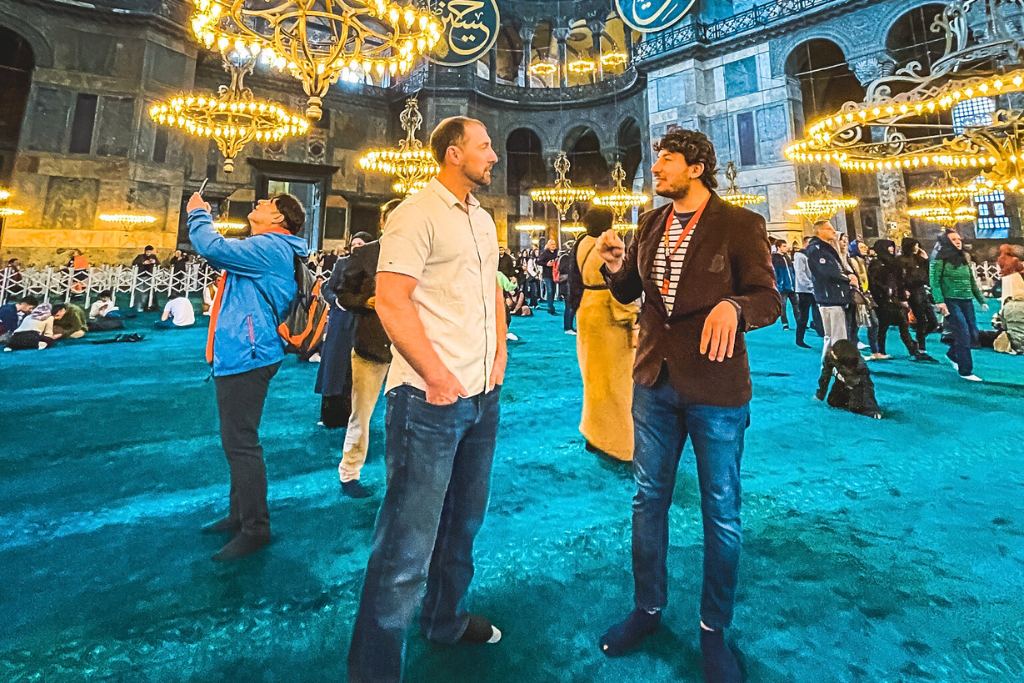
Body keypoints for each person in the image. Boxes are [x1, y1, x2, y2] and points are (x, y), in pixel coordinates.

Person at [595, 129, 780, 682]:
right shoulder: (650, 223)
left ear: (697, 168)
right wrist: (612, 265)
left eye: (667, 161)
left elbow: (769, 297)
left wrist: (734, 307)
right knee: (647, 498)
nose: (657, 169)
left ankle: (712, 630)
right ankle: (648, 610)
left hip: (716, 389)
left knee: (720, 511)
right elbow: (631, 291)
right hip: (654, 381)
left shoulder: (739, 224)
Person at [348, 116, 506, 683]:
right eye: (484, 146)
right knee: (405, 548)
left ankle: (444, 620)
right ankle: (373, 670)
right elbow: (391, 302)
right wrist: (437, 377)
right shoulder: (415, 213)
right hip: (427, 402)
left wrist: (498, 360)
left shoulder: (483, 219)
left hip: (481, 398)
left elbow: (490, 286)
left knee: (463, 524)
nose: (493, 155)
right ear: (453, 153)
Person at [187, 190, 308, 561]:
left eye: (267, 203)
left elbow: (211, 246)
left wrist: (197, 214)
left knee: (241, 443)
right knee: (237, 440)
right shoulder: (269, 245)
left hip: (249, 355)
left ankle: (256, 527)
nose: (258, 203)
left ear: (279, 219)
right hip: (245, 352)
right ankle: (239, 514)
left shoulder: (272, 247)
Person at [332, 204, 400, 498]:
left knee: (407, 416)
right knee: (361, 413)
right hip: (371, 343)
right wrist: (365, 301)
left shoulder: (423, 252)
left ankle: (404, 474)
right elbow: (343, 294)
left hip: (408, 345)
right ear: (383, 222)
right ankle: (349, 473)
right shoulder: (364, 254)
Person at [572, 207, 639, 462]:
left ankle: (593, 435)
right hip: (609, 312)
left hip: (587, 310)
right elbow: (620, 280)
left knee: (592, 378)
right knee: (618, 382)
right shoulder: (609, 244)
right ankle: (620, 443)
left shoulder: (579, 244)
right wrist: (632, 317)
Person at [315, 233, 371, 429]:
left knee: (356, 372)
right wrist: (338, 302)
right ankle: (330, 416)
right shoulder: (342, 263)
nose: (356, 247)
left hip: (362, 322)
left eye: (361, 244)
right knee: (334, 368)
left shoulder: (374, 265)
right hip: (341, 323)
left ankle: (353, 416)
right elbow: (327, 288)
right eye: (354, 244)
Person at [930, 230, 987, 381]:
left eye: (959, 239)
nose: (958, 241)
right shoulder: (939, 259)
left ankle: (953, 354)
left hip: (966, 300)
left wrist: (981, 300)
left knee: (973, 334)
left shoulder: (964, 258)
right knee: (963, 333)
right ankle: (965, 370)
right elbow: (934, 281)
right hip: (950, 300)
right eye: (954, 239)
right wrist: (939, 301)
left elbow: (971, 281)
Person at [867, 239, 931, 361]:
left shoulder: (893, 263)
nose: (891, 249)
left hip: (894, 299)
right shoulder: (876, 264)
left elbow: (899, 280)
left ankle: (913, 350)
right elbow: (875, 283)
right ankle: (880, 350)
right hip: (882, 300)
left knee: (903, 325)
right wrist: (885, 293)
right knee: (883, 327)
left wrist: (901, 296)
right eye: (888, 247)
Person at [806, 220, 857, 361]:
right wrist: (848, 279)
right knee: (838, 337)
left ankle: (827, 367)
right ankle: (839, 369)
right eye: (829, 229)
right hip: (831, 296)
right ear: (819, 231)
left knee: (830, 337)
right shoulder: (818, 250)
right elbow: (828, 272)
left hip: (829, 296)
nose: (833, 232)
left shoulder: (824, 248)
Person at [816, 339, 881, 419]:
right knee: (833, 402)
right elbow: (825, 375)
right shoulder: (830, 355)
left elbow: (867, 388)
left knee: (856, 408)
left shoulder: (859, 365)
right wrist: (820, 394)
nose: (831, 352)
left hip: (857, 385)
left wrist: (873, 410)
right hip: (841, 381)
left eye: (834, 352)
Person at [899, 238, 939, 353]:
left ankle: (919, 337)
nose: (916, 248)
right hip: (913, 292)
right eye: (914, 246)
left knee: (933, 322)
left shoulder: (918, 259)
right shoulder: (902, 260)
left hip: (922, 291)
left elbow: (926, 272)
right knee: (922, 319)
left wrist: (925, 260)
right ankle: (921, 347)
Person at [793, 235, 824, 348]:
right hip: (804, 290)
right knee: (803, 315)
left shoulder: (811, 255)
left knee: (818, 312)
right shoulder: (800, 256)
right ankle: (799, 339)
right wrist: (811, 286)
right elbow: (801, 275)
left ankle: (820, 330)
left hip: (814, 290)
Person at [772, 240, 799, 330]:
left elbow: (792, 271)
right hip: (782, 287)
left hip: (791, 286)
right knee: (783, 306)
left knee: (796, 305)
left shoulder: (787, 257)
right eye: (784, 246)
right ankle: (785, 323)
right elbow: (775, 272)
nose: (786, 248)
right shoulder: (774, 258)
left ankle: (800, 322)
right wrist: (779, 284)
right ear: (778, 248)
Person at [131, 245, 161, 312]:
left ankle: (146, 306)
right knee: (140, 291)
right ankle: (138, 307)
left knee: (148, 292)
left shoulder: (153, 257)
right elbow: (134, 263)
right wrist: (143, 263)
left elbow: (159, 263)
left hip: (150, 276)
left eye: (150, 252)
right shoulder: (140, 256)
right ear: (145, 251)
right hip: (141, 275)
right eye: (147, 251)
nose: (148, 253)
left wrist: (154, 262)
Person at [538, 238, 558, 314]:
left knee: (553, 291)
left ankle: (551, 304)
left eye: (554, 244)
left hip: (555, 275)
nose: (553, 246)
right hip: (547, 275)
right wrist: (546, 264)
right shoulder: (545, 253)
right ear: (548, 245)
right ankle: (550, 308)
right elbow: (538, 261)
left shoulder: (557, 252)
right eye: (552, 244)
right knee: (549, 291)